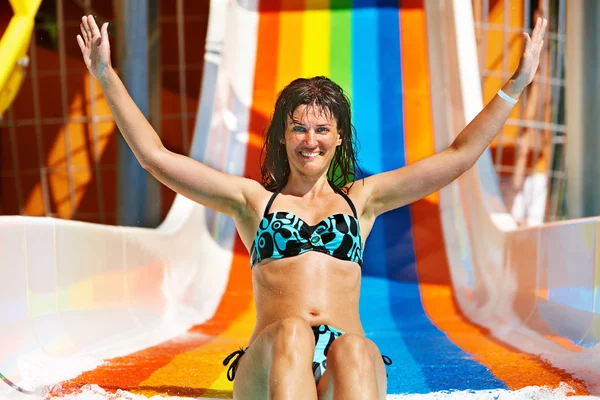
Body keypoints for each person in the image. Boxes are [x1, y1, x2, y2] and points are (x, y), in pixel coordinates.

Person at [77, 14, 547, 400]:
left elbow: (458, 156)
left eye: (322, 130)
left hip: (343, 364)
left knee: (358, 349)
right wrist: (106, 76)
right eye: (298, 128)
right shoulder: (252, 201)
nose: (310, 141)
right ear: (282, 136)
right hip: (273, 359)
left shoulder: (362, 201)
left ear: (338, 137)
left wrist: (516, 83)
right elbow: (155, 157)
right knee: (292, 333)